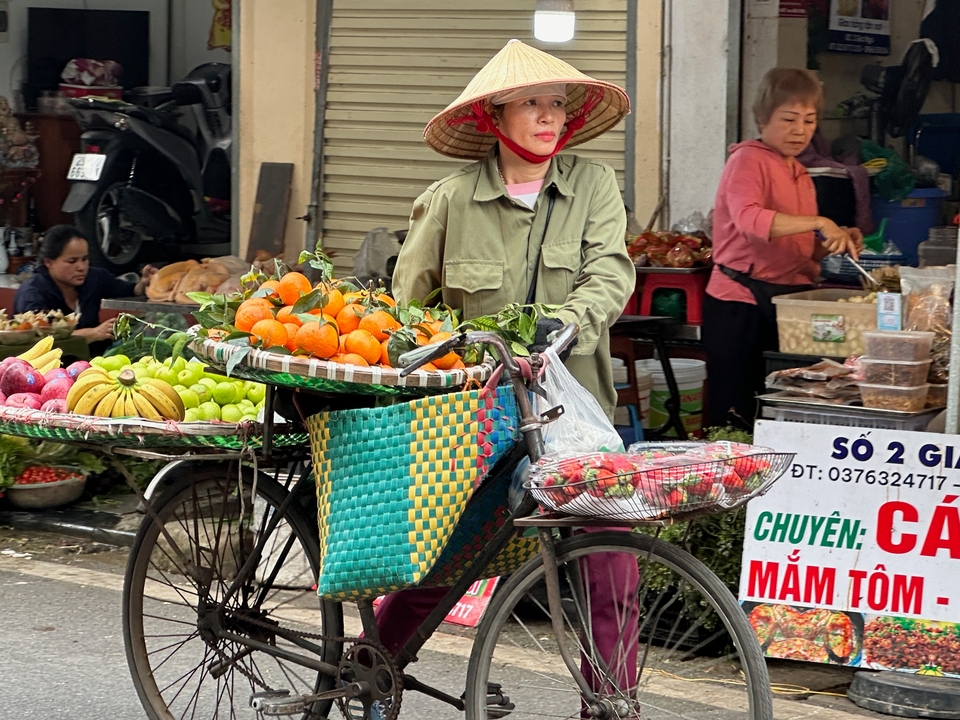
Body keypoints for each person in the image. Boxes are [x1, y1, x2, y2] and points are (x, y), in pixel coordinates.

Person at [377, 39, 638, 714]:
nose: (549, 116)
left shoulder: (593, 186)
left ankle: (610, 703)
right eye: (531, 104)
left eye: (557, 103)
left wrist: (569, 322)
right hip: (477, 417)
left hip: (573, 415)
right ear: (495, 116)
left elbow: (610, 271)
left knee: (610, 557)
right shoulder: (450, 200)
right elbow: (407, 315)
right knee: (450, 559)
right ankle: (371, 662)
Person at [702, 68, 863, 430]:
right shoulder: (747, 160)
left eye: (809, 121)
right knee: (735, 413)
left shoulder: (800, 173)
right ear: (762, 119)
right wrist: (821, 222)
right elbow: (750, 221)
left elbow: (797, 248)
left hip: (788, 305)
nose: (799, 130)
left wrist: (836, 241)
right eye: (789, 119)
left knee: (786, 406)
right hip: (739, 304)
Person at [14, 225, 157, 353]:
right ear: (49, 262)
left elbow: (131, 291)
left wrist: (145, 283)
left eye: (85, 259)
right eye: (72, 261)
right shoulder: (32, 294)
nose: (81, 267)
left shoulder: (94, 278)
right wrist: (92, 334)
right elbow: (37, 341)